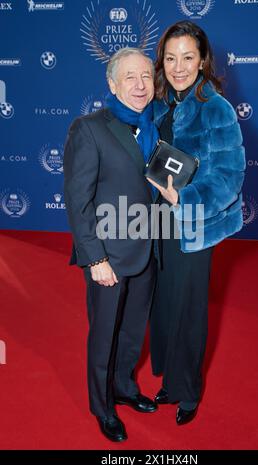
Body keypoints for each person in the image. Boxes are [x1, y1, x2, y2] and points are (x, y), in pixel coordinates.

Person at [147, 21, 246, 425]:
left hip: (194, 223)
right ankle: (169, 380)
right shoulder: (155, 101)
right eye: (171, 58)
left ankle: (187, 390)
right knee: (163, 303)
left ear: (203, 60)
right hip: (151, 221)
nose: (179, 66)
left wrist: (185, 199)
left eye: (188, 57)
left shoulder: (216, 108)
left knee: (188, 309)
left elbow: (230, 176)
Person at [63, 48, 159, 442]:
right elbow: (77, 200)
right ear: (112, 84)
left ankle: (124, 386)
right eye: (130, 77)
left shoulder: (155, 127)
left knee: (134, 331)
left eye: (147, 77)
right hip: (109, 257)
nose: (140, 85)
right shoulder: (89, 129)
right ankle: (101, 406)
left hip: (148, 250)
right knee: (105, 334)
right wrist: (95, 258)